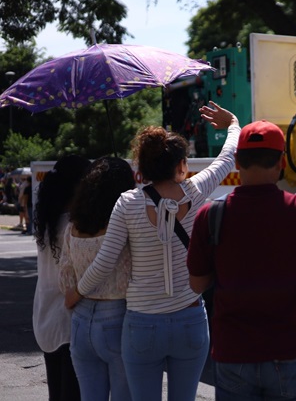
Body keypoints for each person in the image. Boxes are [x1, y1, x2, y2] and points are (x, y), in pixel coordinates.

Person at [65, 101, 239, 401]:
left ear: (141, 167)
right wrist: (233, 123)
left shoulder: (127, 203)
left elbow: (106, 261)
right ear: (180, 165)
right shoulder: (196, 191)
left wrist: (77, 292)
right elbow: (227, 157)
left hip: (142, 323)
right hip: (190, 319)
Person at [187, 120, 296, 401]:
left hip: (234, 352)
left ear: (238, 162)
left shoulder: (211, 215)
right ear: (281, 162)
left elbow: (197, 284)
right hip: (291, 350)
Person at [59, 157, 136, 401]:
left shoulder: (73, 226)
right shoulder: (123, 225)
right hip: (119, 318)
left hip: (81, 321)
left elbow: (65, 277)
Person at [33, 155, 91, 401]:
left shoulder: (47, 220)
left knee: (57, 394)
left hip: (45, 317)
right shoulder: (75, 224)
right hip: (69, 321)